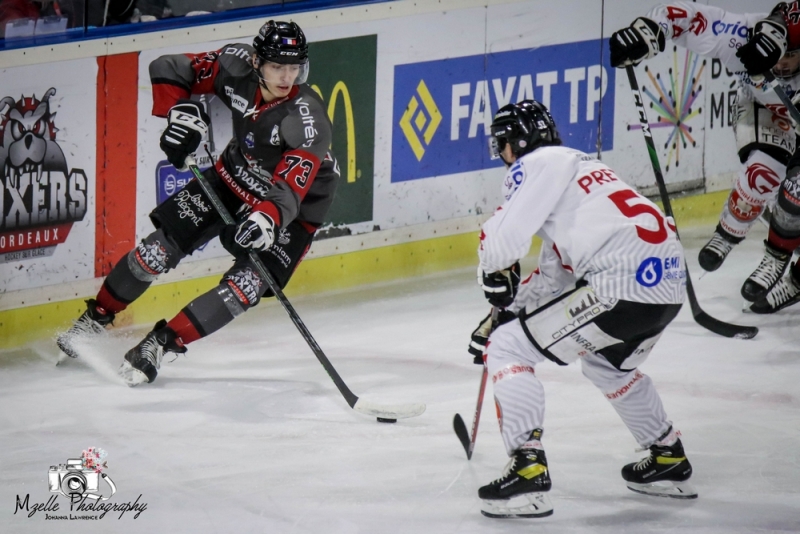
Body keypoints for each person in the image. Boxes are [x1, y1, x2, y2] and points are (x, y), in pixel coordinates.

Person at [56, 20, 340, 386]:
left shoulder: (307, 119)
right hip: (234, 176)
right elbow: (169, 67)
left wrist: (266, 220)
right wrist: (178, 111)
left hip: (294, 209)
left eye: (294, 66)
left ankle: (161, 343)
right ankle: (94, 319)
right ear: (256, 62)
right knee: (157, 251)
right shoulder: (235, 64)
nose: (287, 76)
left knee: (246, 285)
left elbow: (288, 192)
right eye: (277, 66)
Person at [471, 100, 695, 519]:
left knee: (508, 347)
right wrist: (508, 310)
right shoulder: (583, 170)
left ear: (517, 142)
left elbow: (502, 241)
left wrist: (492, 275)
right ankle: (667, 454)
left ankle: (527, 469)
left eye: (502, 143)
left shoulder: (534, 164)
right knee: (607, 365)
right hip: (666, 284)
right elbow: (555, 276)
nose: (501, 153)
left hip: (621, 285)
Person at [610, 2, 800, 313]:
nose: (782, 65)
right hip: (764, 110)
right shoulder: (743, 35)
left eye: (791, 57)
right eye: (779, 55)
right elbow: (689, 18)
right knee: (761, 175)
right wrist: (648, 31)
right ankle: (730, 234)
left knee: (795, 194)